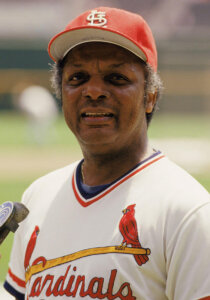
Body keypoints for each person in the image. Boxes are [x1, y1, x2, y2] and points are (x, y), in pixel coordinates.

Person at [4, 6, 210, 300]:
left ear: (150, 97)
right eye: (77, 78)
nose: (94, 91)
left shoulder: (188, 211)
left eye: (116, 78)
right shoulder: (37, 197)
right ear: (61, 93)